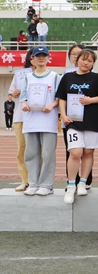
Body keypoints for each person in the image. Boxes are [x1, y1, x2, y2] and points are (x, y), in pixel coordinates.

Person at [57, 49, 98, 203]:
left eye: (90, 61)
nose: (86, 63)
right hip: (73, 121)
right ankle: (71, 185)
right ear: (77, 60)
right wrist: (63, 115)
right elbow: (62, 98)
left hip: (93, 120)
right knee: (75, 152)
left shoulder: (97, 78)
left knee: (88, 152)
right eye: (83, 59)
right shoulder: (67, 77)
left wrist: (90, 100)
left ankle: (83, 183)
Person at [20, 46, 61, 196]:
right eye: (38, 56)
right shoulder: (28, 77)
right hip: (31, 121)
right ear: (33, 59)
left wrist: (52, 105)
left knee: (48, 154)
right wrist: (24, 104)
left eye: (44, 55)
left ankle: (46, 185)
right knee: (31, 153)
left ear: (49, 58)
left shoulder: (55, 76)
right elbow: (23, 96)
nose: (41, 58)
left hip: (48, 121)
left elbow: (59, 97)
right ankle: (33, 183)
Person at [9, 49, 33, 191]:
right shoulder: (20, 74)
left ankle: (37, 180)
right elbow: (12, 92)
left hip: (38, 117)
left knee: (38, 151)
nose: (37, 58)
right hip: (20, 117)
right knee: (22, 150)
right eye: (33, 56)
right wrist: (15, 93)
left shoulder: (48, 75)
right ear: (29, 58)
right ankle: (25, 180)